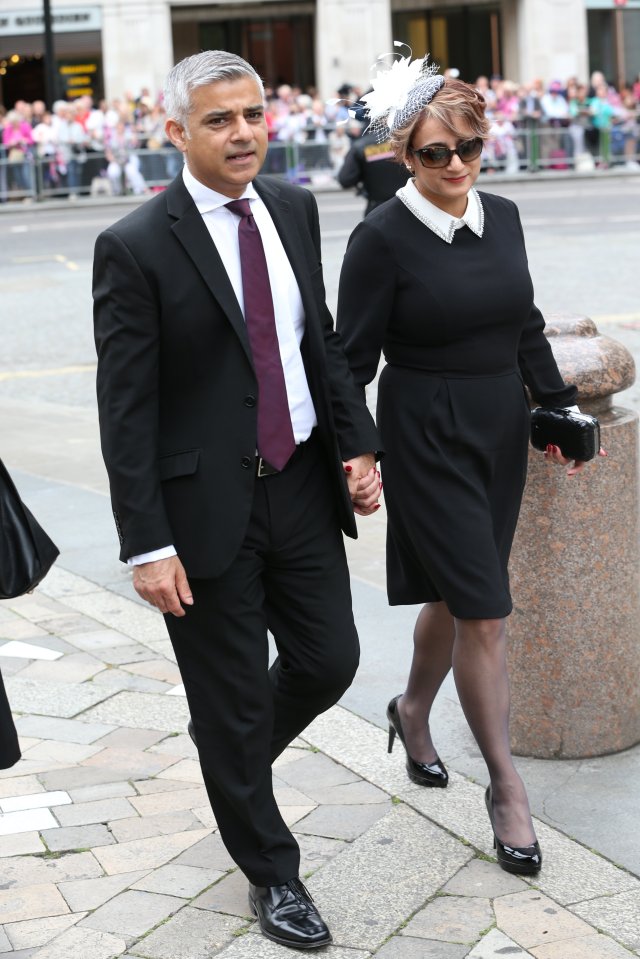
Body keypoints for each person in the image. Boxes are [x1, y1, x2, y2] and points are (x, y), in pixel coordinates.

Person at [93, 50, 381, 950]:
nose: (244, 132)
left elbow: (318, 343)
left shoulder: (293, 207)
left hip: (297, 482)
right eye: (219, 120)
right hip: (200, 512)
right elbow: (126, 409)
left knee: (329, 660)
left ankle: (230, 747)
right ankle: (273, 873)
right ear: (175, 132)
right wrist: (146, 542)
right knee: (234, 703)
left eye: (253, 114)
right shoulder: (136, 245)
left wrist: (358, 439)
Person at [336, 54, 605, 878]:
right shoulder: (380, 237)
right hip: (425, 433)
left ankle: (412, 708)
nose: (455, 166)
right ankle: (506, 787)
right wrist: (358, 448)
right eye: (433, 153)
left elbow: (523, 320)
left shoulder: (507, 215)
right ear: (402, 156)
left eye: (469, 148)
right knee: (486, 607)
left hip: (496, 429)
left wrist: (557, 405)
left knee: (462, 595)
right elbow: (350, 361)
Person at [337, 127, 411, 216]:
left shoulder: (361, 145)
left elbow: (345, 179)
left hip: (377, 210)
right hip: (409, 206)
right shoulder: (406, 140)